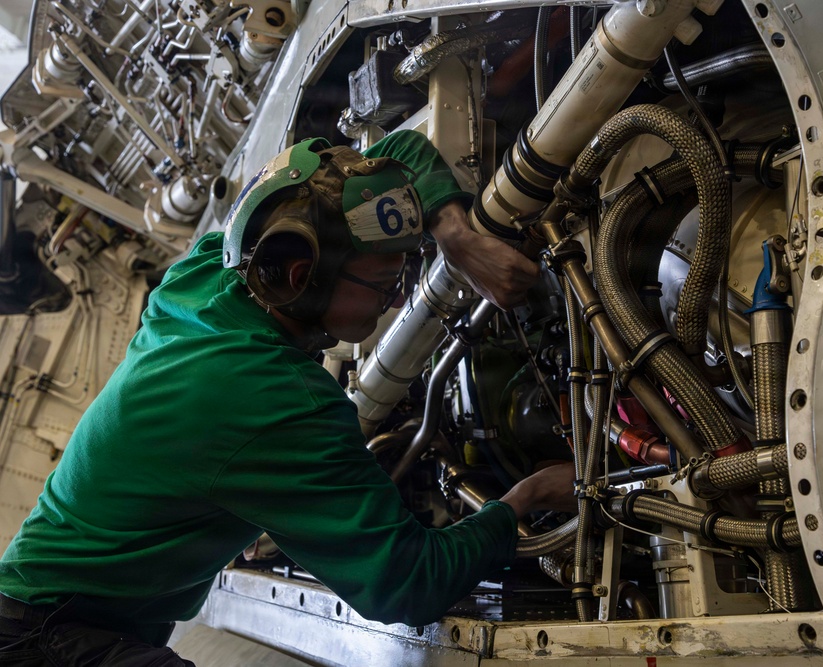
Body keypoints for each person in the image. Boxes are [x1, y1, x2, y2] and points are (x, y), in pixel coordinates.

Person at [0, 130, 570, 665]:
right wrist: (526, 497)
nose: (396, 300)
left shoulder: (206, 275)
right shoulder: (277, 399)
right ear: (303, 275)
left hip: (40, 611)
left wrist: (456, 237)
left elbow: (394, 152)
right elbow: (409, 583)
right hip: (44, 640)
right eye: (384, 284)